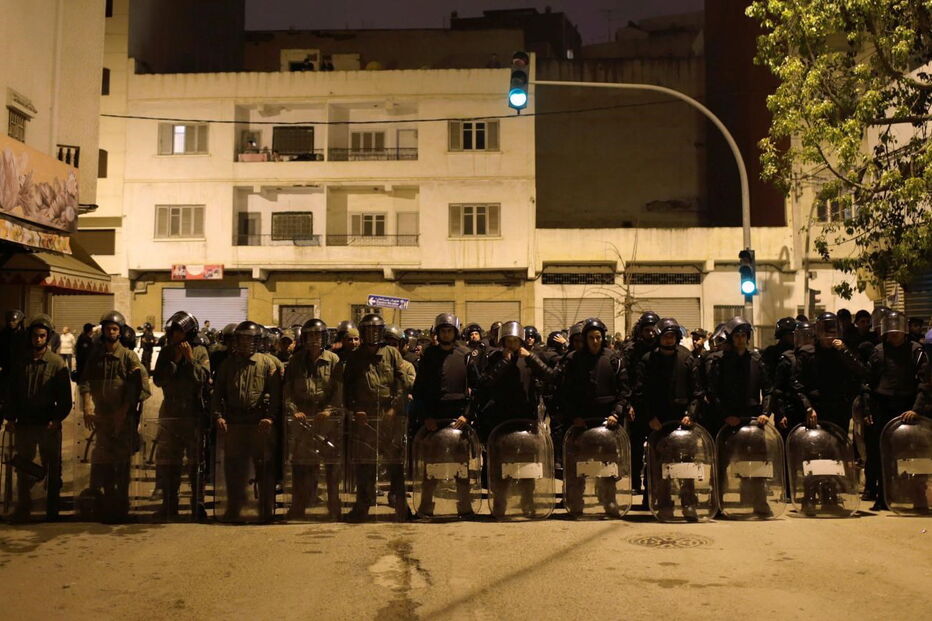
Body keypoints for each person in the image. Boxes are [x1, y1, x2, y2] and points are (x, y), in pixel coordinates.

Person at [478, 321, 557, 518]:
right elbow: (485, 383)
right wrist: (503, 362)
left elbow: (551, 377)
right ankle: (500, 502)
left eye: (515, 340)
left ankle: (527, 502)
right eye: (508, 340)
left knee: (527, 465)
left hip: (526, 417)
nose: (512, 344)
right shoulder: (494, 356)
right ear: (503, 341)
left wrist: (531, 359)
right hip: (501, 417)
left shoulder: (530, 357)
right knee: (501, 464)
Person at [77, 311, 148, 522]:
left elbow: (138, 388)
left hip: (122, 420)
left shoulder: (128, 356)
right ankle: (105, 503)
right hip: (101, 418)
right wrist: (87, 405)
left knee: (121, 464)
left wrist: (123, 411)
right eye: (108, 328)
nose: (111, 332)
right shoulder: (96, 357)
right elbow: (85, 381)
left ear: (121, 332)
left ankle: (121, 505)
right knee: (102, 462)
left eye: (115, 329)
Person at [343, 314, 412, 521]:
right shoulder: (355, 357)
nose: (373, 334)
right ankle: (362, 507)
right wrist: (355, 410)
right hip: (365, 418)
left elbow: (403, 383)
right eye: (368, 331)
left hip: (390, 416)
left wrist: (394, 409)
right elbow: (347, 389)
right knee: (364, 465)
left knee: (395, 463)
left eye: (376, 330)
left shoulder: (392, 354)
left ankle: (401, 507)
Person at [633, 318, 703, 521]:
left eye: (672, 336)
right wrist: (649, 418)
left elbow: (697, 392)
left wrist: (691, 414)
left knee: (686, 460)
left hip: (682, 419)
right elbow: (639, 393)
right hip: (657, 420)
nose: (669, 340)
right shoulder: (648, 360)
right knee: (656, 461)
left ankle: (688, 500)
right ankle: (658, 498)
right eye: (666, 336)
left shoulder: (687, 359)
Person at [3, 315, 72, 521]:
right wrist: (10, 418)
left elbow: (65, 398)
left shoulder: (57, 363)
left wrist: (57, 419)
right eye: (35, 336)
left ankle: (51, 509)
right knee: (23, 467)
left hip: (47, 424)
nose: (38, 340)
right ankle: (23, 507)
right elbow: (11, 393)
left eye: (42, 336)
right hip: (25, 423)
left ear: (48, 338)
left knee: (52, 468)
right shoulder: (20, 362)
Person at [559, 317, 630, 518]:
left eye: (598, 337)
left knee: (609, 465)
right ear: (585, 338)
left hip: (607, 422)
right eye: (591, 337)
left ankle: (609, 500)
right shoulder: (573, 360)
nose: (595, 341)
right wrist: (574, 416)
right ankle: (576, 501)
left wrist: (616, 413)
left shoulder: (614, 359)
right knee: (577, 466)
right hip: (581, 421)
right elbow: (565, 392)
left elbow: (624, 391)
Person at [211, 321, 281, 522]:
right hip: (234, 423)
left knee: (264, 468)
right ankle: (234, 508)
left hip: (259, 424)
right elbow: (217, 394)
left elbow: (275, 395)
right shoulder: (227, 364)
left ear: (257, 341)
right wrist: (218, 415)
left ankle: (266, 509)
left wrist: (270, 417)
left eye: (250, 339)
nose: (246, 343)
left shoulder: (267, 363)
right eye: (243, 338)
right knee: (234, 469)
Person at [707, 317, 775, 517]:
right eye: (736, 335)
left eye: (743, 335)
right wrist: (725, 415)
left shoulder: (757, 359)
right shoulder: (720, 361)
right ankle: (717, 502)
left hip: (752, 417)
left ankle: (759, 501)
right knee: (722, 462)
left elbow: (768, 389)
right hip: (727, 419)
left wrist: (765, 413)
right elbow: (712, 392)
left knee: (757, 462)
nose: (740, 339)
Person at [409, 313, 475, 517]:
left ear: (455, 332)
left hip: (458, 418)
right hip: (434, 418)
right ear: (438, 333)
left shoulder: (466, 354)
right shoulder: (429, 356)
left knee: (461, 466)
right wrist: (426, 416)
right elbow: (419, 390)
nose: (446, 334)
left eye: (449, 330)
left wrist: (467, 415)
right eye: (443, 331)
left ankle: (464, 506)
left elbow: (476, 388)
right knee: (432, 465)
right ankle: (426, 506)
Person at [864, 311, 930, 511]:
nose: (893, 335)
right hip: (883, 406)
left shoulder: (916, 351)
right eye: (889, 331)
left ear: (903, 330)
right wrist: (868, 409)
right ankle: (883, 496)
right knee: (881, 454)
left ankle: (917, 496)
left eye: (896, 331)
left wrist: (916, 410)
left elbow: (925, 384)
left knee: (912, 454)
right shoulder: (878, 351)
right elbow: (868, 383)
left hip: (907, 408)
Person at [151, 311, 210, 519]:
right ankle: (169, 505)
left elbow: (203, 379)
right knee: (170, 462)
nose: (174, 335)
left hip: (193, 414)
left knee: (195, 463)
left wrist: (190, 359)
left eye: (178, 331)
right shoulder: (167, 352)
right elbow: (158, 380)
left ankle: (197, 505)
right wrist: (175, 361)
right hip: (171, 413)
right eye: (172, 331)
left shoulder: (200, 351)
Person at [282, 319, 342, 520]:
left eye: (318, 336)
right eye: (310, 336)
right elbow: (287, 391)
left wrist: (329, 410)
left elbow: (339, 391)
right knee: (301, 467)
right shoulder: (295, 361)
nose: (314, 340)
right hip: (303, 423)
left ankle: (334, 508)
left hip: (328, 423)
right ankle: (298, 507)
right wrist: (294, 410)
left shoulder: (334, 360)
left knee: (332, 468)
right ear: (304, 339)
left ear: (324, 338)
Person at [623, 311, 660, 505]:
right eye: (647, 330)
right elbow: (625, 379)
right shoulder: (631, 350)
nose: (651, 334)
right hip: (636, 405)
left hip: (655, 403)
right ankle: (636, 481)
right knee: (636, 445)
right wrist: (628, 404)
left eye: (653, 330)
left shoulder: (661, 348)